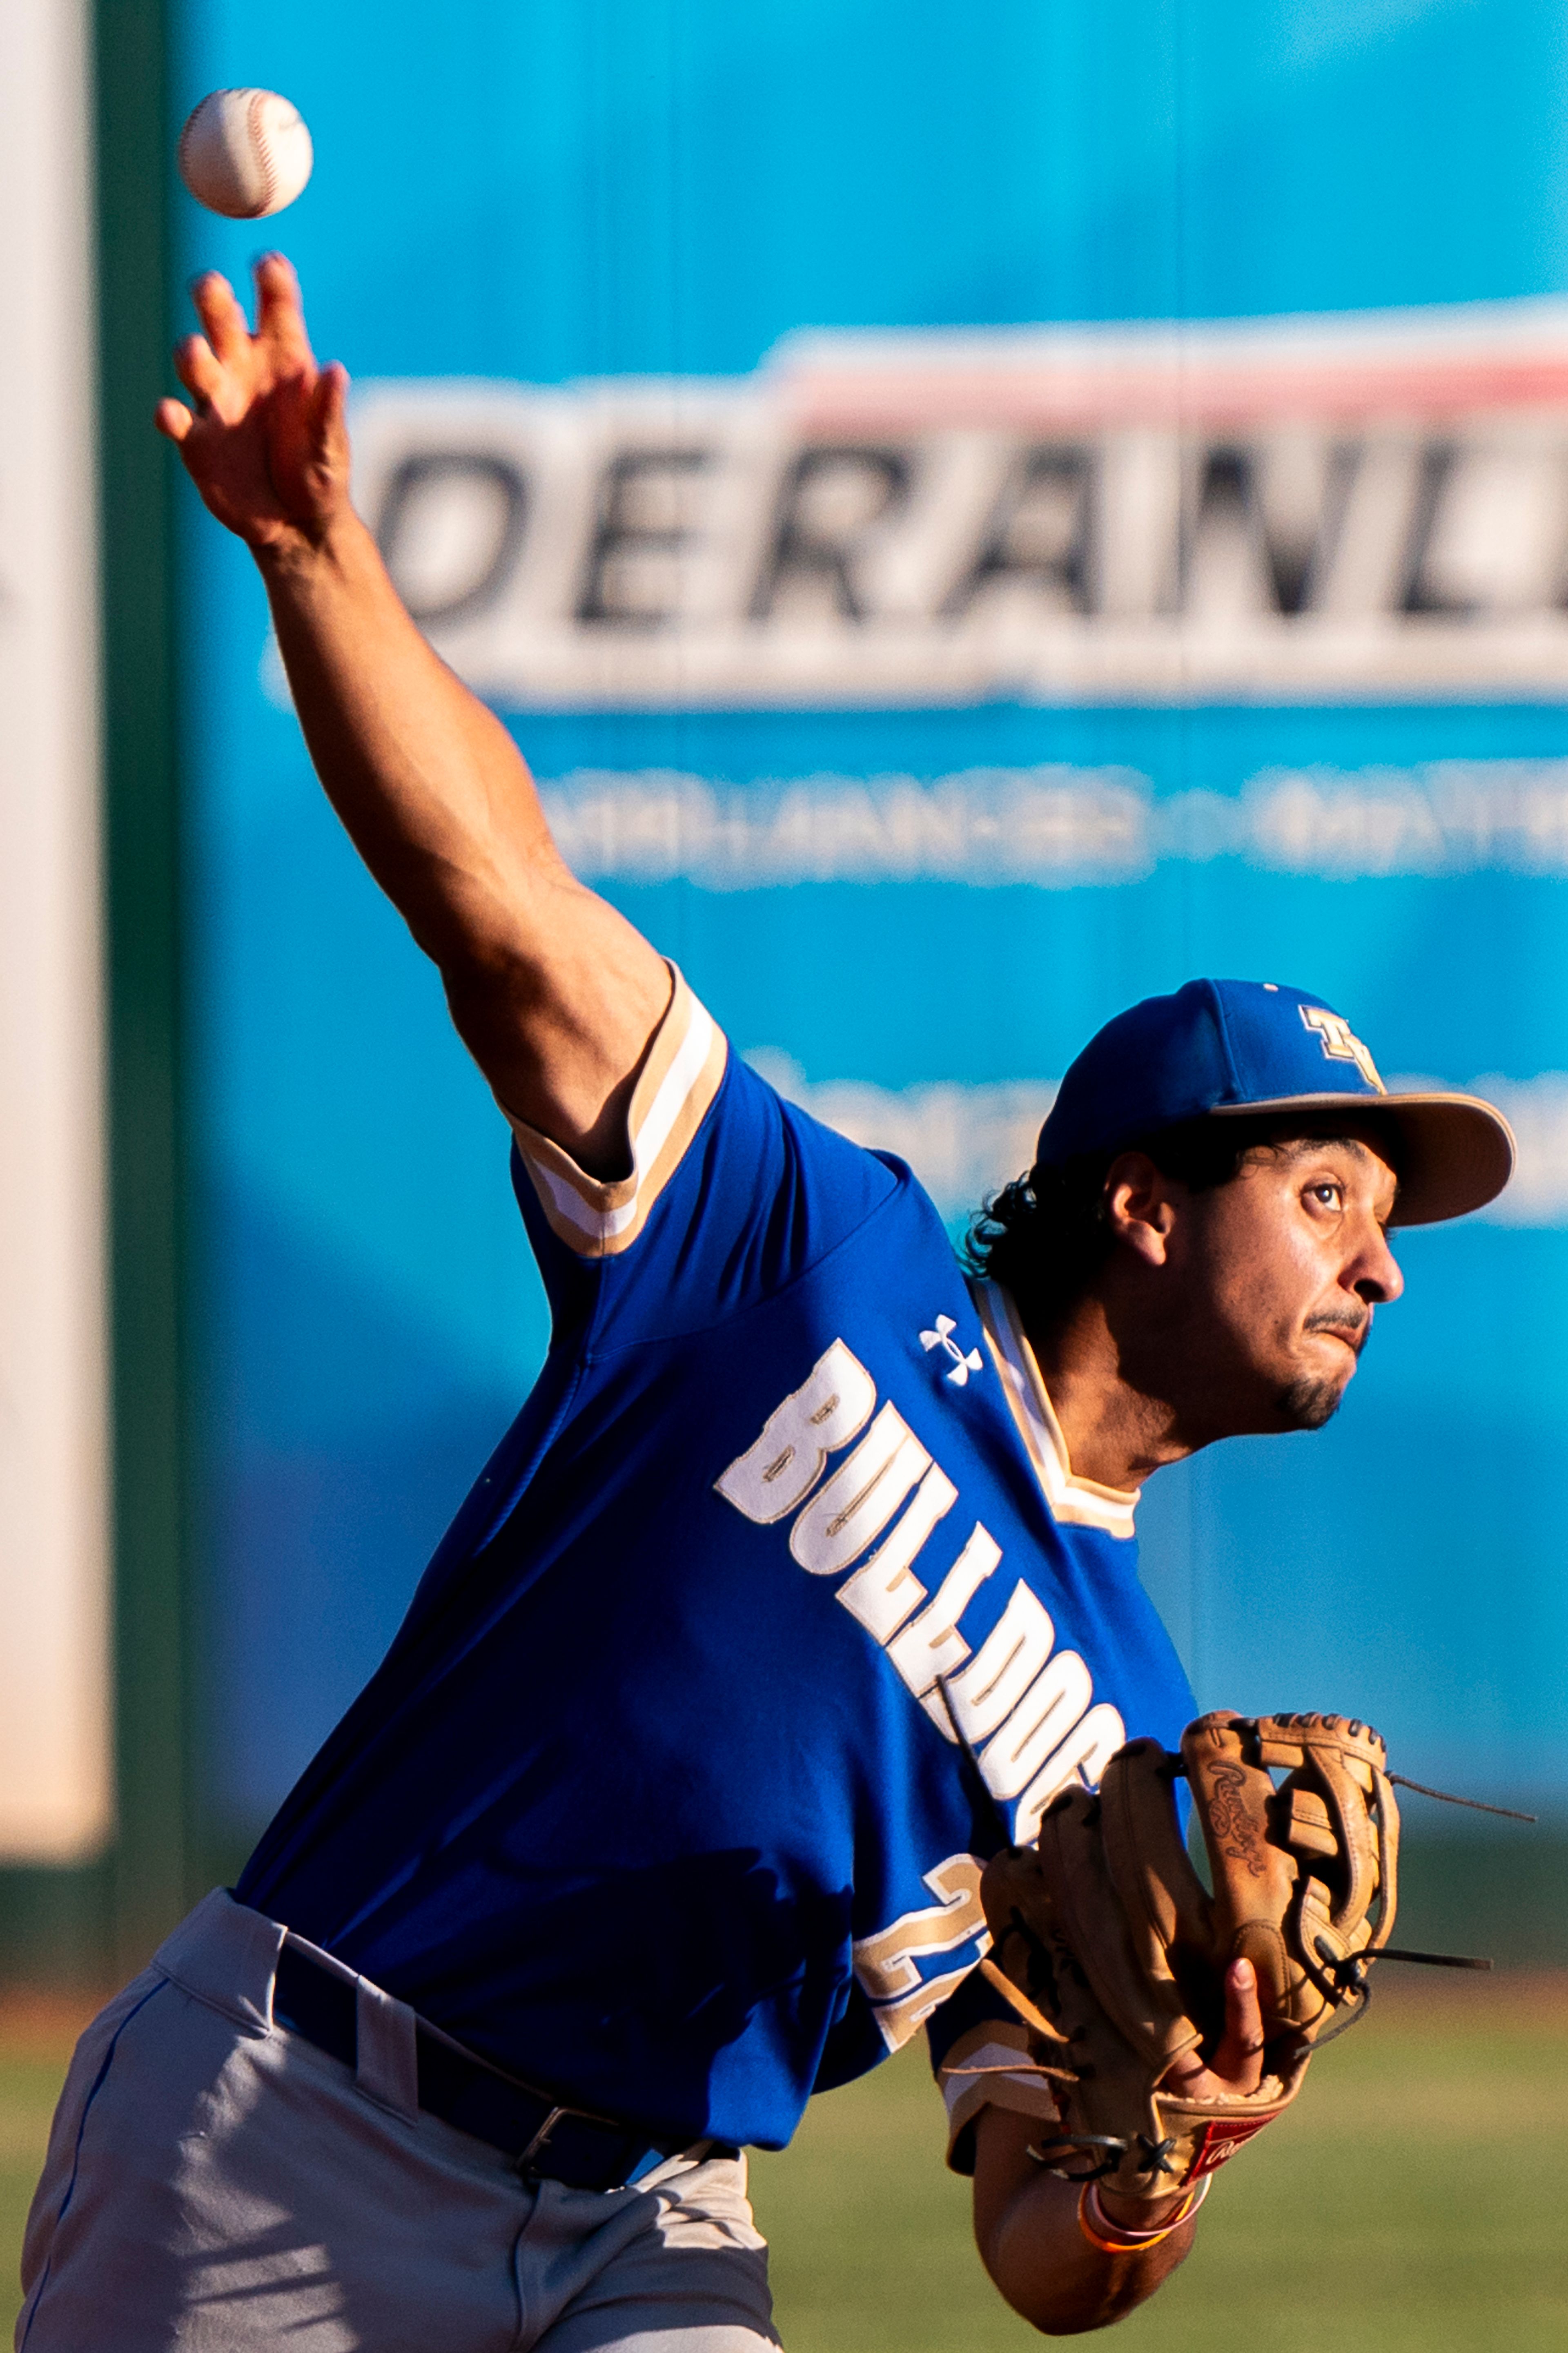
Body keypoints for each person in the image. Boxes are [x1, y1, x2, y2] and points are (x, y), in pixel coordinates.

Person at [17, 259, 1515, 2353]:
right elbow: (504, 914)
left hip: (654, 2223)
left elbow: (1039, 2251)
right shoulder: (803, 1247)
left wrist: (1163, 2143)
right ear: (1146, 1207)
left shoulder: (1131, 1729)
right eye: (1334, 1188)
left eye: (1392, 1220)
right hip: (301, 2128)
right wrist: (312, 553)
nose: (1382, 1259)